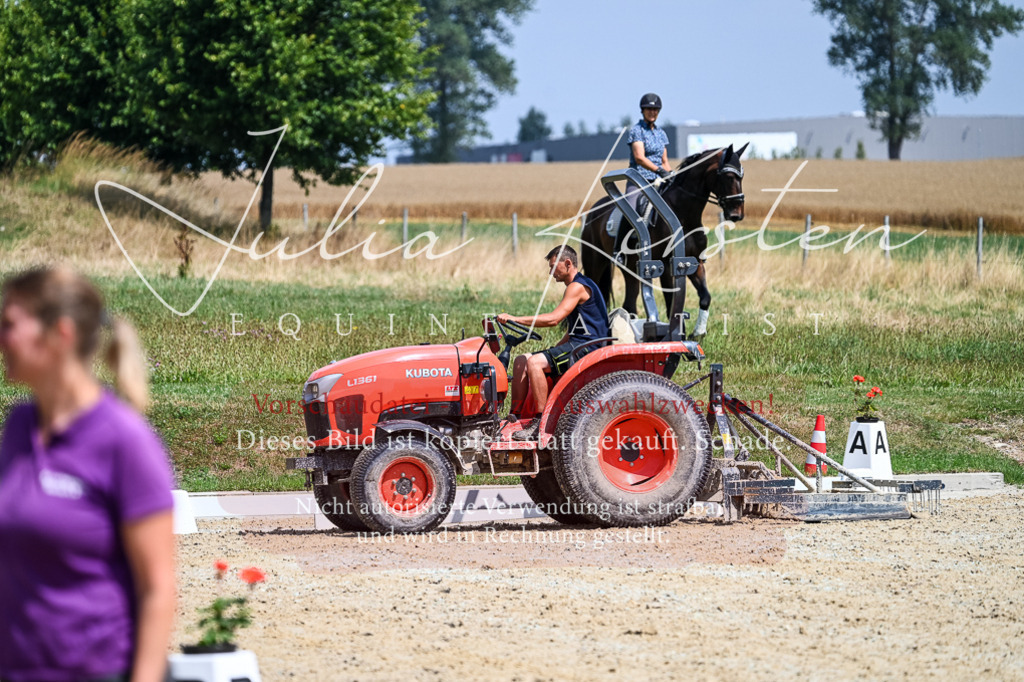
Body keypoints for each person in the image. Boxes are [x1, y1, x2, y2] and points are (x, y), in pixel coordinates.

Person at [0, 267, 175, 682]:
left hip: (95, 670)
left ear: (59, 334)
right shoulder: (19, 426)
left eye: (9, 324)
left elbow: (158, 588)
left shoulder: (125, 442)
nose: (1, 338)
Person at [496, 245, 610, 440]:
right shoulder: (576, 286)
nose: (550, 273)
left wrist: (514, 318)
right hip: (578, 344)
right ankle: (515, 417)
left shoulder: (578, 286)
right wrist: (556, 348)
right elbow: (575, 328)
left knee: (535, 363)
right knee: (522, 360)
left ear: (567, 264)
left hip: (587, 349)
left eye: (553, 267)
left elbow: (553, 319)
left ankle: (540, 422)